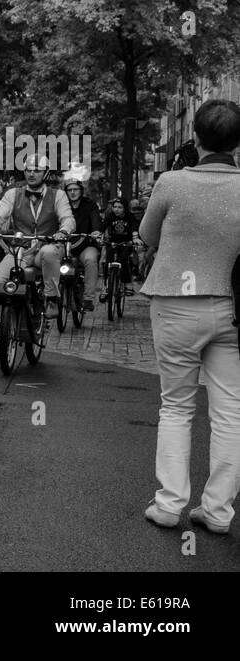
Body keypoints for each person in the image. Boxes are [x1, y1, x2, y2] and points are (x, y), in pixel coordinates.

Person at [139, 99, 240, 535]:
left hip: (177, 302)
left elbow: (147, 234)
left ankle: (169, 504)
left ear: (194, 137)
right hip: (234, 307)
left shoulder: (171, 182)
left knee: (177, 406)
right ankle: (217, 511)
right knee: (230, 411)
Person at [0, 154, 76, 353]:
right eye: (29, 170)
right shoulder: (13, 193)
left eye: (37, 170)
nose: (31, 173)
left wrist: (63, 231)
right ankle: (1, 334)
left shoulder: (58, 195)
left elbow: (68, 218)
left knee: (50, 253)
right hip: (21, 249)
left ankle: (50, 300)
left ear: (45, 173)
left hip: (46, 246)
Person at [60, 172, 104, 311]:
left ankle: (88, 298)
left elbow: (95, 218)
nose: (72, 192)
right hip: (65, 244)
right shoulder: (62, 205)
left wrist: (96, 231)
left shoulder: (89, 205)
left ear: (81, 191)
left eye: (75, 189)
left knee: (91, 259)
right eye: (69, 190)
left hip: (86, 244)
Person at [98, 198, 139, 304]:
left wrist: (135, 239)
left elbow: (134, 227)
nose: (116, 209)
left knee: (123, 260)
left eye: (120, 207)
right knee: (107, 262)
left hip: (127, 243)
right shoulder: (110, 216)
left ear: (125, 208)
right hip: (112, 243)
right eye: (115, 207)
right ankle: (106, 287)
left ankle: (127, 284)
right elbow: (103, 227)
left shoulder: (130, 216)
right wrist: (98, 235)